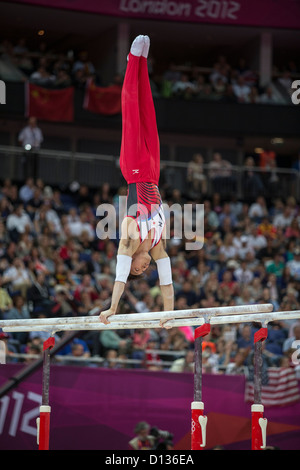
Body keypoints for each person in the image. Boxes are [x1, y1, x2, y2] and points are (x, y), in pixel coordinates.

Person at [99, 36, 174, 326]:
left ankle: (132, 61)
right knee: (149, 114)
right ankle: (144, 63)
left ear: (132, 264)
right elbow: (167, 280)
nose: (146, 269)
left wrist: (112, 308)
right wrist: (169, 313)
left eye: (140, 271)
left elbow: (120, 277)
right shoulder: (156, 245)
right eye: (145, 271)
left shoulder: (128, 241)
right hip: (153, 173)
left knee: (131, 111)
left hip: (133, 171)